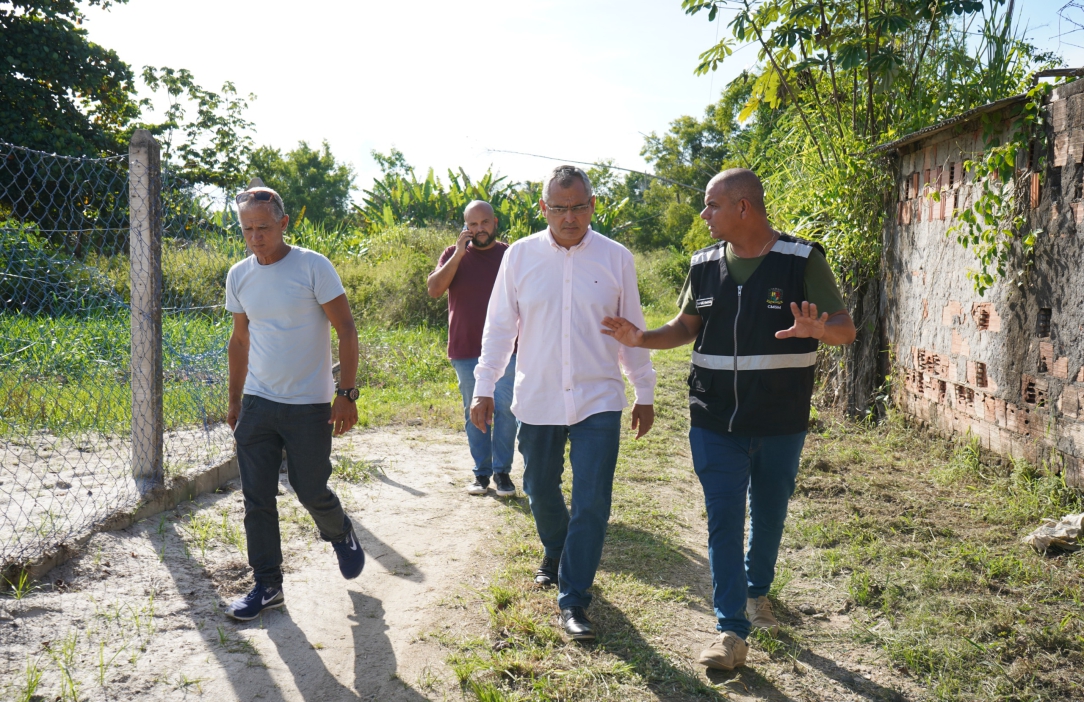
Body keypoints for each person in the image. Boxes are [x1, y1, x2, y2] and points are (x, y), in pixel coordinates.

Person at [601, 168, 856, 669]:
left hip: (781, 419)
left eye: (712, 205)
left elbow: (845, 330)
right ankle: (730, 630)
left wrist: (818, 329)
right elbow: (685, 326)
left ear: (744, 207)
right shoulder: (703, 265)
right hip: (713, 418)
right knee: (723, 518)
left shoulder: (801, 260)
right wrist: (641, 338)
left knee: (769, 512)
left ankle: (756, 593)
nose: (704, 214)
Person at [470, 165, 657, 641]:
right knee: (539, 485)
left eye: (578, 207)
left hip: (599, 396)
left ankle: (573, 599)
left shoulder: (616, 258)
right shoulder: (520, 258)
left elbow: (631, 331)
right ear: (543, 209)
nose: (569, 217)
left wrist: (644, 390)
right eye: (559, 208)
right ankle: (555, 549)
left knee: (593, 501)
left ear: (593, 206)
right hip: (538, 395)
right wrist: (484, 385)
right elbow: (499, 328)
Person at [224, 186, 366, 621]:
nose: (255, 237)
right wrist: (234, 402)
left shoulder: (312, 266)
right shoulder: (240, 275)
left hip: (309, 406)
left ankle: (339, 531)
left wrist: (345, 394)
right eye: (247, 229)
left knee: (310, 489)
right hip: (259, 403)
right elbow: (240, 340)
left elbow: (346, 330)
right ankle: (268, 585)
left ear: (283, 224)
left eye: (263, 228)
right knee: (257, 499)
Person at [427, 200, 517, 497]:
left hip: (507, 349)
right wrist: (459, 255)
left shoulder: (509, 254)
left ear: (495, 223)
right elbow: (434, 290)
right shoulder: (453, 254)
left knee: (505, 408)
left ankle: (503, 472)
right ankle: (481, 474)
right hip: (466, 349)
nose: (479, 229)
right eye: (473, 224)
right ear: (465, 227)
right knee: (474, 412)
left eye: (484, 223)